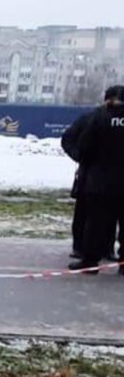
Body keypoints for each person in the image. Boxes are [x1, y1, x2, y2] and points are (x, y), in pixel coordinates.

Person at [72, 85, 124, 273]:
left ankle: (90, 262)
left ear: (109, 100)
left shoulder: (99, 117)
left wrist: (87, 163)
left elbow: (84, 145)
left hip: (100, 181)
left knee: (95, 224)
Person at [61, 106, 97, 260]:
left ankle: (105, 249)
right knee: (84, 213)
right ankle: (80, 248)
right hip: (90, 174)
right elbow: (68, 139)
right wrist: (80, 157)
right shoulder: (93, 118)